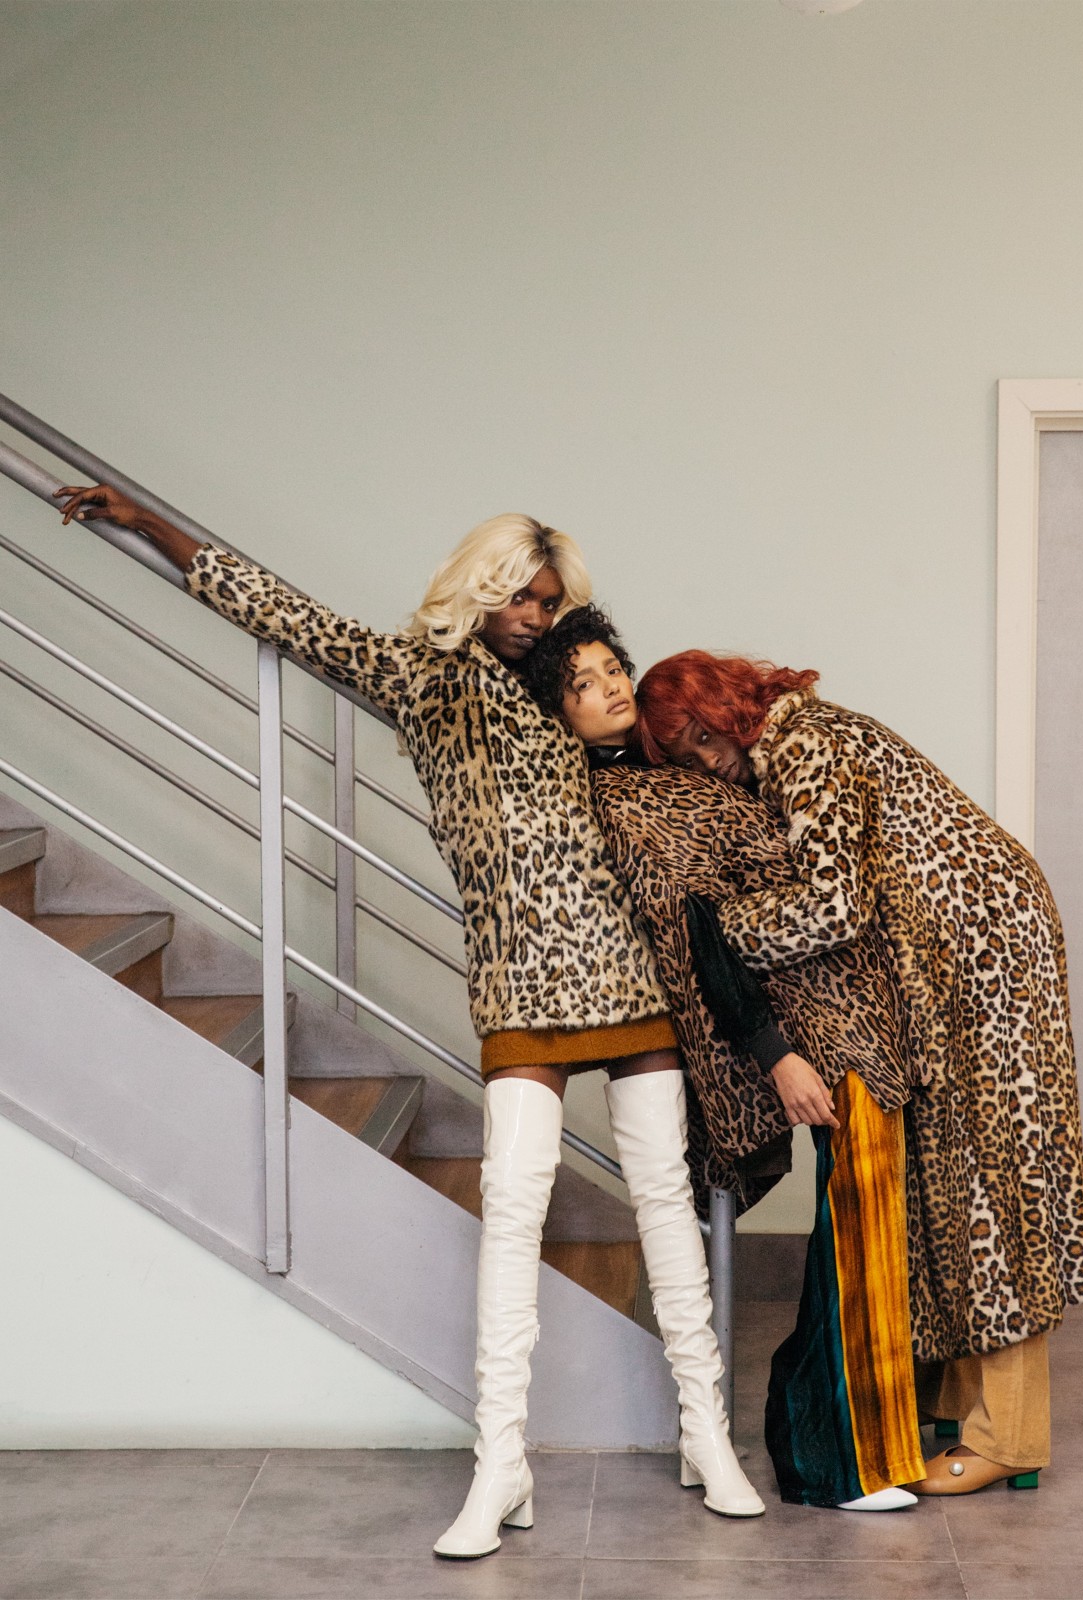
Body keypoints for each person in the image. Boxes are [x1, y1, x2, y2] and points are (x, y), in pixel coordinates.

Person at [52, 485, 764, 1557]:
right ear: (480, 589)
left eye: (548, 601)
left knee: (664, 1197)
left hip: (629, 974)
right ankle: (499, 1463)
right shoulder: (423, 675)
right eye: (519, 597)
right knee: (512, 1210)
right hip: (520, 981)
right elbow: (287, 614)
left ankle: (706, 1435)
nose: (534, 615)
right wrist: (150, 526)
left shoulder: (564, 685)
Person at [634, 649, 1083, 1494]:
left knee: (986, 1180)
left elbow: (832, 904)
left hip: (980, 957)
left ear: (729, 704)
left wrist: (714, 933)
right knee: (944, 1178)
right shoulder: (798, 745)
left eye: (702, 735)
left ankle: (1009, 1435)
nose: (705, 759)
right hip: (954, 959)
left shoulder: (806, 745)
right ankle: (954, 1401)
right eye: (684, 752)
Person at [526, 606, 927, 1510]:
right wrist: (776, 1054)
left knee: (867, 1219)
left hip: (850, 992)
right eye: (581, 685)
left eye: (611, 668)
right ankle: (830, 1464)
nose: (609, 688)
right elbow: (696, 937)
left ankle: (847, 1442)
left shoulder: (675, 766)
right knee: (858, 1220)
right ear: (559, 716)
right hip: (804, 1017)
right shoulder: (617, 806)